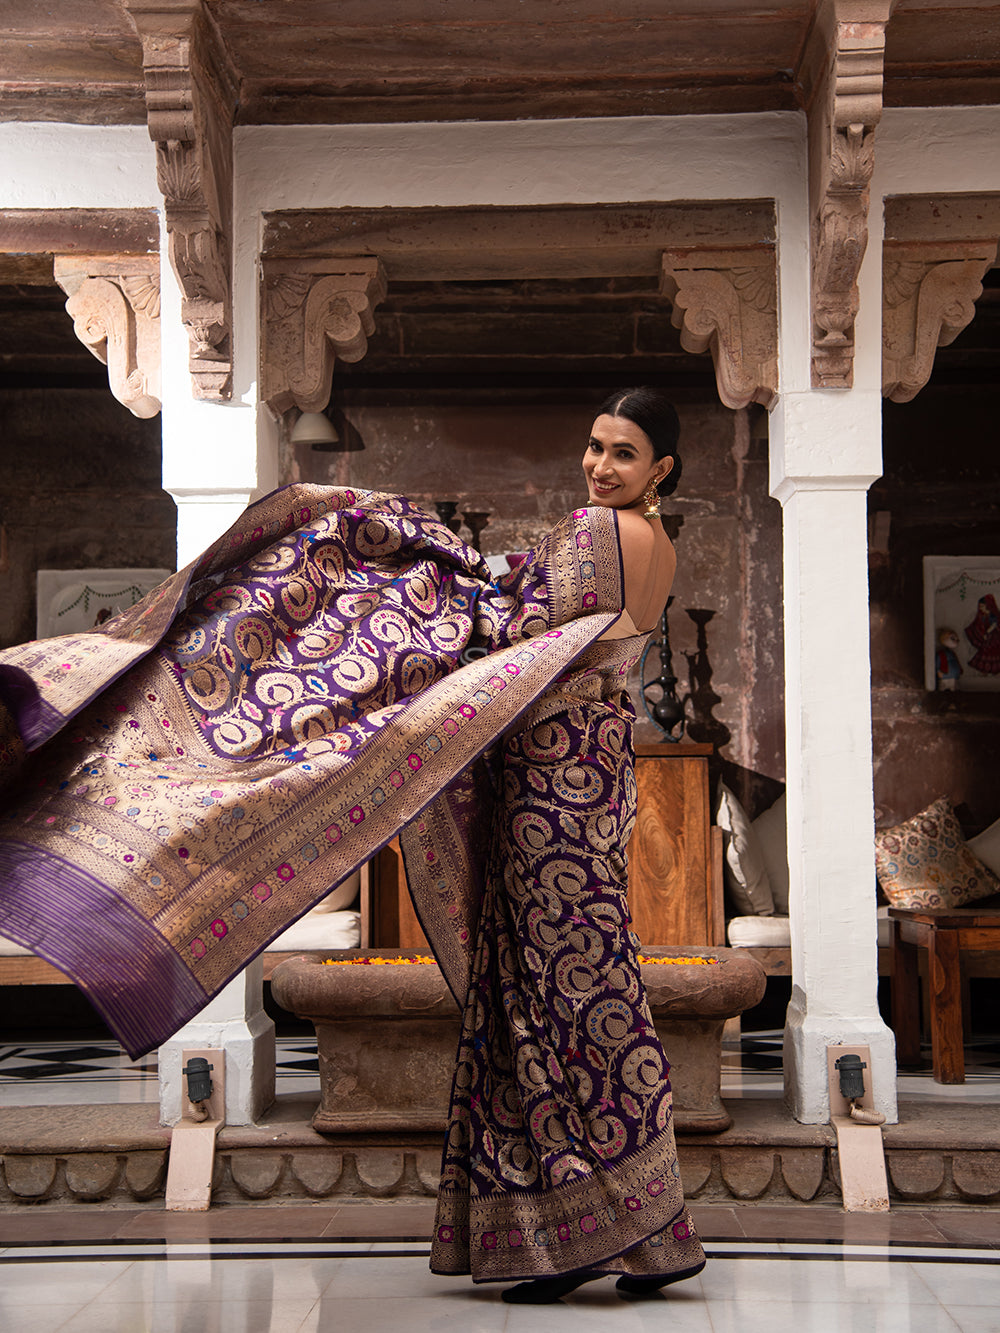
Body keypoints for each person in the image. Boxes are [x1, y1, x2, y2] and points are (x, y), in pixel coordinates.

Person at [0, 386, 704, 1300]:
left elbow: (512, 632)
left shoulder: (600, 534)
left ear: (661, 471)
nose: (599, 465)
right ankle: (644, 1232)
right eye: (596, 446)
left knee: (539, 992)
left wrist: (388, 578)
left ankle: (568, 1235)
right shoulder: (660, 550)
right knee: (590, 984)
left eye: (622, 453)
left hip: (548, 790)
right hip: (595, 776)